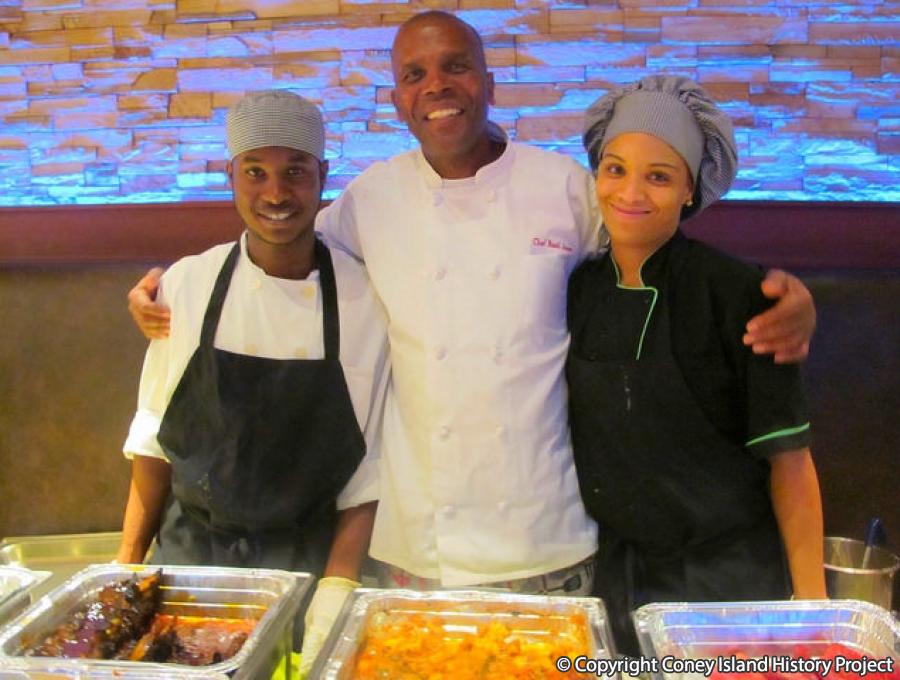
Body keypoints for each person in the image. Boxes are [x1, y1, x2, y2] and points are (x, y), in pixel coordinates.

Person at [126, 8, 817, 660]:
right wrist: (171, 287)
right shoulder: (370, 199)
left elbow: (657, 245)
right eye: (414, 75)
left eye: (455, 67)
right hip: (413, 550)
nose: (437, 87)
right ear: (397, 100)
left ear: (488, 83)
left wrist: (790, 296)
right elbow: (280, 247)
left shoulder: (565, 188)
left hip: (549, 543)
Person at [116, 91, 390, 648]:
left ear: (323, 177)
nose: (276, 193)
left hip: (307, 569)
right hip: (190, 566)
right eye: (255, 172)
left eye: (294, 172)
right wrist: (124, 572)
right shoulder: (186, 285)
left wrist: (336, 590)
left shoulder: (368, 299)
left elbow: (369, 473)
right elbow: (153, 442)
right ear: (231, 175)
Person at [567, 76, 826, 654]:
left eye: (658, 175)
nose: (630, 191)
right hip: (615, 583)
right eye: (615, 169)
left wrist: (813, 611)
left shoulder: (740, 294)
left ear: (691, 189)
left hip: (727, 586)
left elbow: (790, 460)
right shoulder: (575, 288)